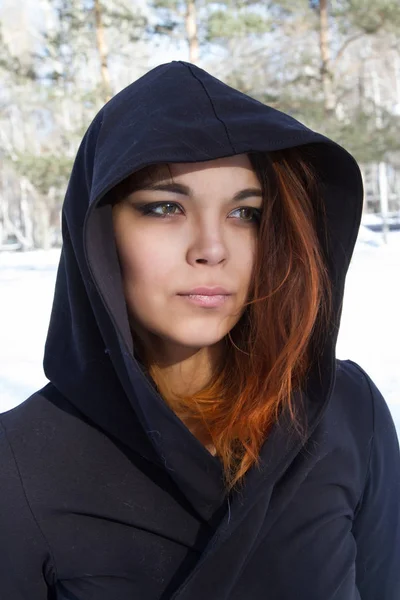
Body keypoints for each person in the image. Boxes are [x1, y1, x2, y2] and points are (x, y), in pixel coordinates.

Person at [0, 60, 399, 600]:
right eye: (165, 207)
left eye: (246, 214)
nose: (212, 248)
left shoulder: (342, 408)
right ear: (98, 233)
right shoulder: (21, 462)